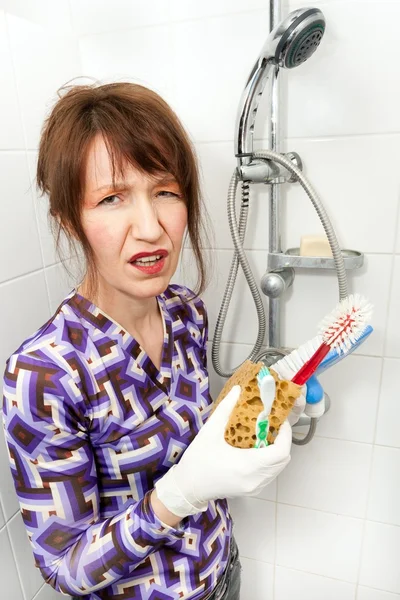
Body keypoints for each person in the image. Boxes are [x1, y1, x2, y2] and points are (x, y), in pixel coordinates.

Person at [2, 81, 304, 600]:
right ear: (69, 219)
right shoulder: (43, 374)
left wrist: (245, 413)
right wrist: (178, 496)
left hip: (222, 570)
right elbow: (66, 566)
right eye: (111, 198)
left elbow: (188, 435)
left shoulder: (185, 310)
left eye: (166, 191)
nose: (150, 227)